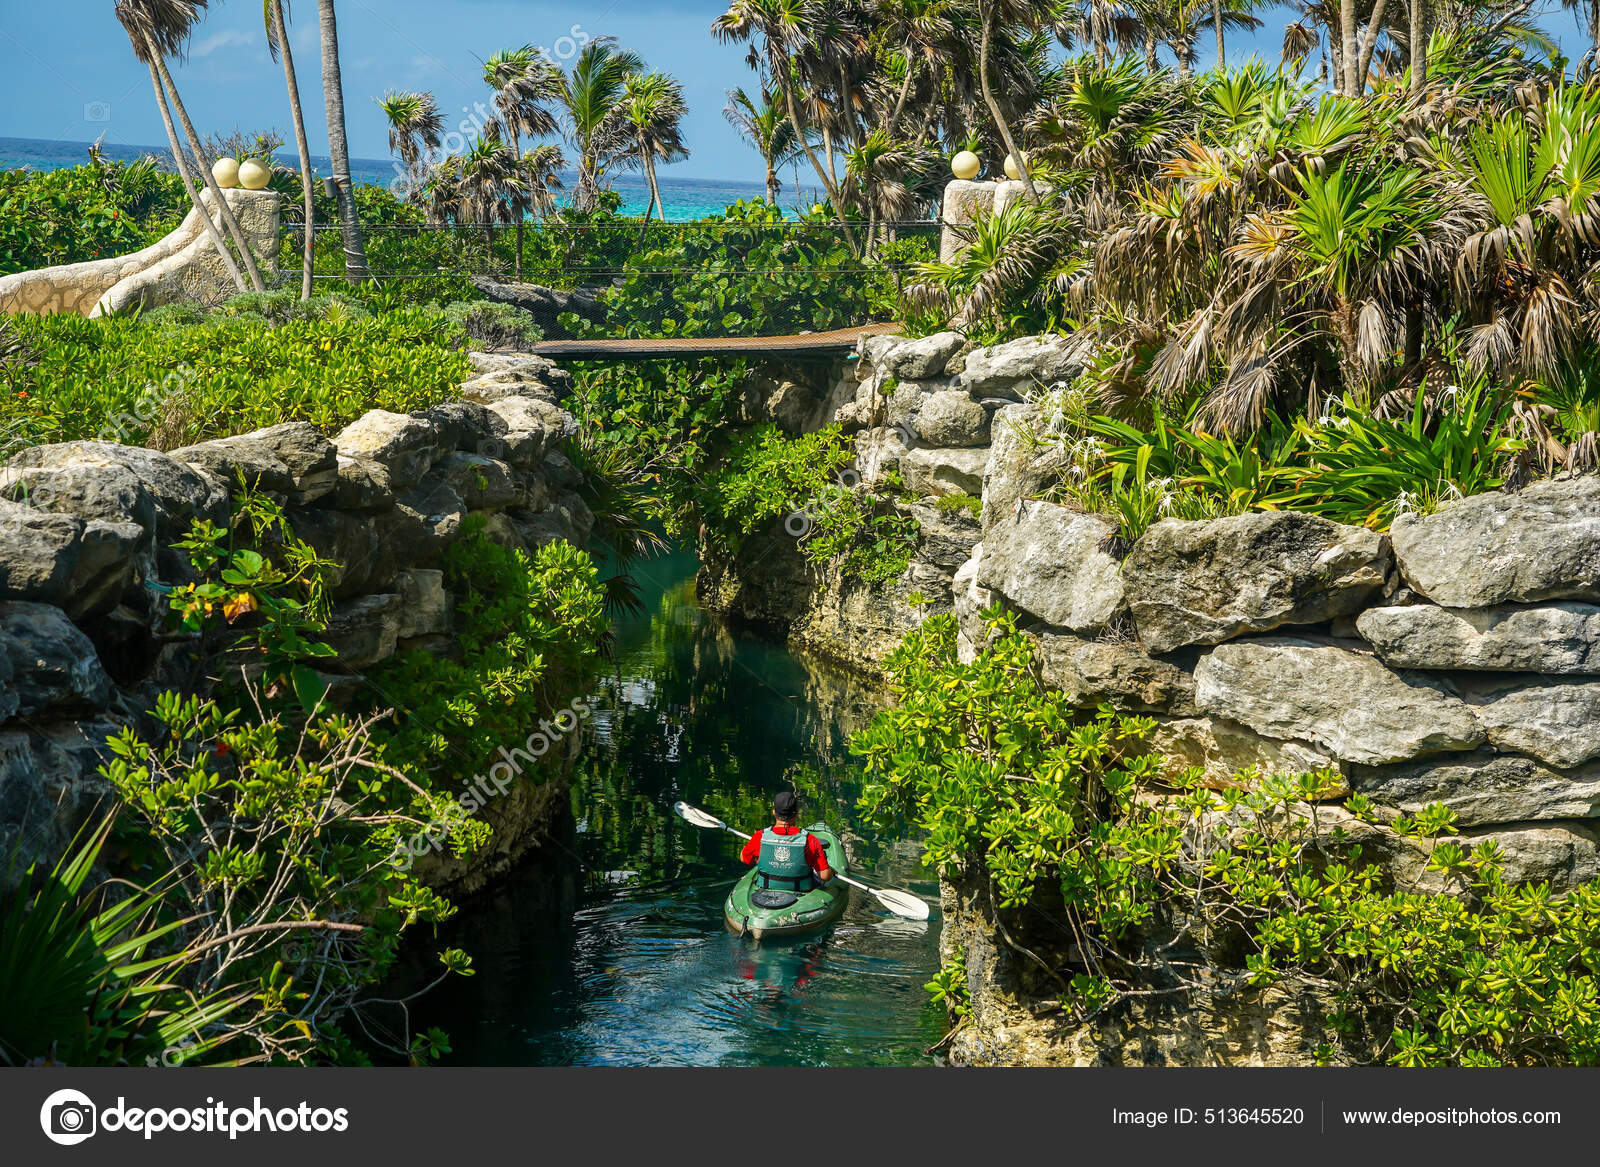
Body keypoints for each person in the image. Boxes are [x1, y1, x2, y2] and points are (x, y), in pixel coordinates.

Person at [740, 791, 834, 891]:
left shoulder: (759, 836)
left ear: (774, 812)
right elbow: (825, 876)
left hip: (764, 890)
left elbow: (744, 858)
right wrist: (832, 871)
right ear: (797, 814)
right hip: (800, 891)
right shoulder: (810, 840)